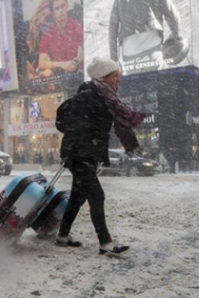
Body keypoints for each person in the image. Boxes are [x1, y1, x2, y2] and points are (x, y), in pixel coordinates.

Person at [57, 57, 145, 257]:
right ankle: (105, 242)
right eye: (115, 75)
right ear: (104, 77)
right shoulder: (88, 96)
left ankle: (62, 236)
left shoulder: (105, 97)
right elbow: (73, 127)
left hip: (88, 153)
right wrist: (69, 155)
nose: (118, 80)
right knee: (97, 195)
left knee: (78, 197)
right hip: (79, 154)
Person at [109, 0, 185, 75]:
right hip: (152, 48)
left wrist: (114, 60)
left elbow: (112, 30)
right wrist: (177, 36)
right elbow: (173, 16)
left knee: (137, 87)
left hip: (129, 54)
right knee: (156, 84)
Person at [38, 0, 84, 76]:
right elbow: (42, 63)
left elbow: (86, 50)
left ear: (67, 5)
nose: (61, 11)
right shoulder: (47, 34)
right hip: (56, 75)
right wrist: (62, 65)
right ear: (53, 12)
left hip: (74, 73)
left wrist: (75, 62)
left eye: (62, 6)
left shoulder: (77, 26)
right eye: (57, 8)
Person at [26, 0, 54, 80]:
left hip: (42, 72)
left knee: (48, 72)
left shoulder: (48, 32)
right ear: (38, 12)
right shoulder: (27, 28)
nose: (43, 19)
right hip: (31, 73)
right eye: (42, 14)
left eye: (47, 17)